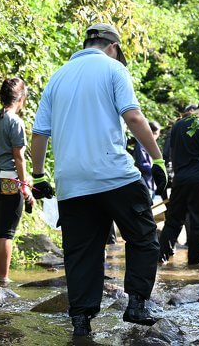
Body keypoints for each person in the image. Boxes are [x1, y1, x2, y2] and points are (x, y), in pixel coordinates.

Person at [31, 23, 167, 336]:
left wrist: (38, 176)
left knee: (81, 252)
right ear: (112, 47)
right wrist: (157, 158)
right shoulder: (114, 69)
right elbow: (133, 117)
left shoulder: (58, 76)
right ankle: (136, 303)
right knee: (143, 235)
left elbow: (39, 133)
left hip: (72, 182)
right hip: (115, 174)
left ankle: (81, 321)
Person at [158, 96, 199, 265]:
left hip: (180, 180)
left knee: (173, 221)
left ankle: (160, 259)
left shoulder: (178, 125)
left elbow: (171, 155)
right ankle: (193, 264)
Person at [0, 77, 35, 284]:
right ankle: (3, 279)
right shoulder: (15, 122)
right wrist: (24, 186)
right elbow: (18, 157)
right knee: (6, 232)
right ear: (21, 98)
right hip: (9, 179)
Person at [134, 121, 161, 199]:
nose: (156, 136)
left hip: (152, 183)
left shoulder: (151, 144)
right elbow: (142, 164)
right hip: (146, 181)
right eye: (155, 133)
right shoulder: (141, 144)